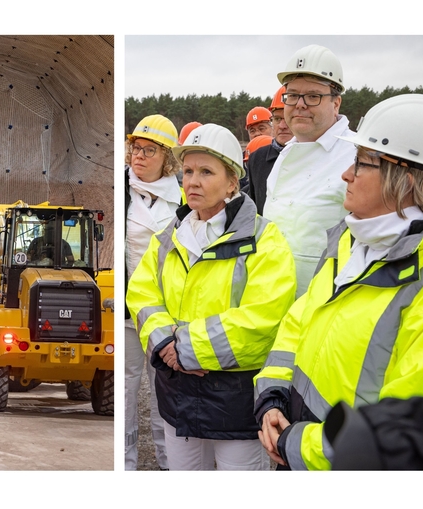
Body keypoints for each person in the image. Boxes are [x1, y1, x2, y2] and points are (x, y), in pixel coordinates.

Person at [253, 93, 423, 471]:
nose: (346, 174)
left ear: (404, 180)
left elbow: (398, 430)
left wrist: (298, 442)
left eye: (361, 164)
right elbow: (298, 322)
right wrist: (273, 398)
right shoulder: (348, 240)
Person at [127, 123, 296, 470]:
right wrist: (165, 347)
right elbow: (143, 296)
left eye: (206, 171)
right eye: (188, 171)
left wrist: (186, 349)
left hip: (235, 402)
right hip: (179, 397)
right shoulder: (167, 238)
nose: (193, 181)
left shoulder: (265, 241)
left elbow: (265, 316)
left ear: (232, 181)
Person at [263, 44, 357, 296]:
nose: (300, 104)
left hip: (325, 303)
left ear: (336, 103)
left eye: (313, 96)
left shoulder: (358, 157)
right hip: (269, 299)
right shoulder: (286, 154)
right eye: (292, 95)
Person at [124, 114, 182, 471]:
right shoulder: (122, 194)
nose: (139, 157)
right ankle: (126, 465)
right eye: (135, 149)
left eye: (149, 150)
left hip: (169, 312)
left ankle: (168, 463)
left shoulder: (181, 197)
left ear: (168, 159)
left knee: (165, 389)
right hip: (130, 309)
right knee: (127, 388)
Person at [244, 86, 291, 215]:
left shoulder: (314, 155)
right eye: (277, 119)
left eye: (287, 118)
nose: (282, 126)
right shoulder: (257, 159)